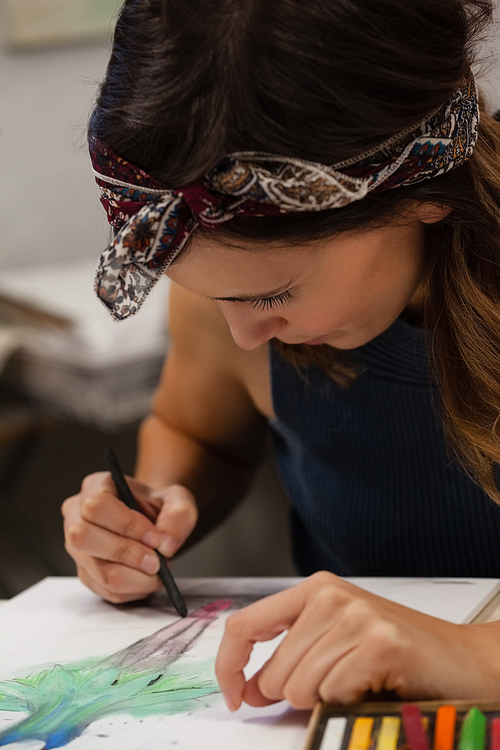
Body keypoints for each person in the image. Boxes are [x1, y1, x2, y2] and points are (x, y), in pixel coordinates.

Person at [62, 0, 500, 710]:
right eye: (218, 298)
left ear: (424, 190)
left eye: (272, 294)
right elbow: (197, 429)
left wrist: (474, 656)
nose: (243, 336)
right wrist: (149, 517)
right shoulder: (232, 301)